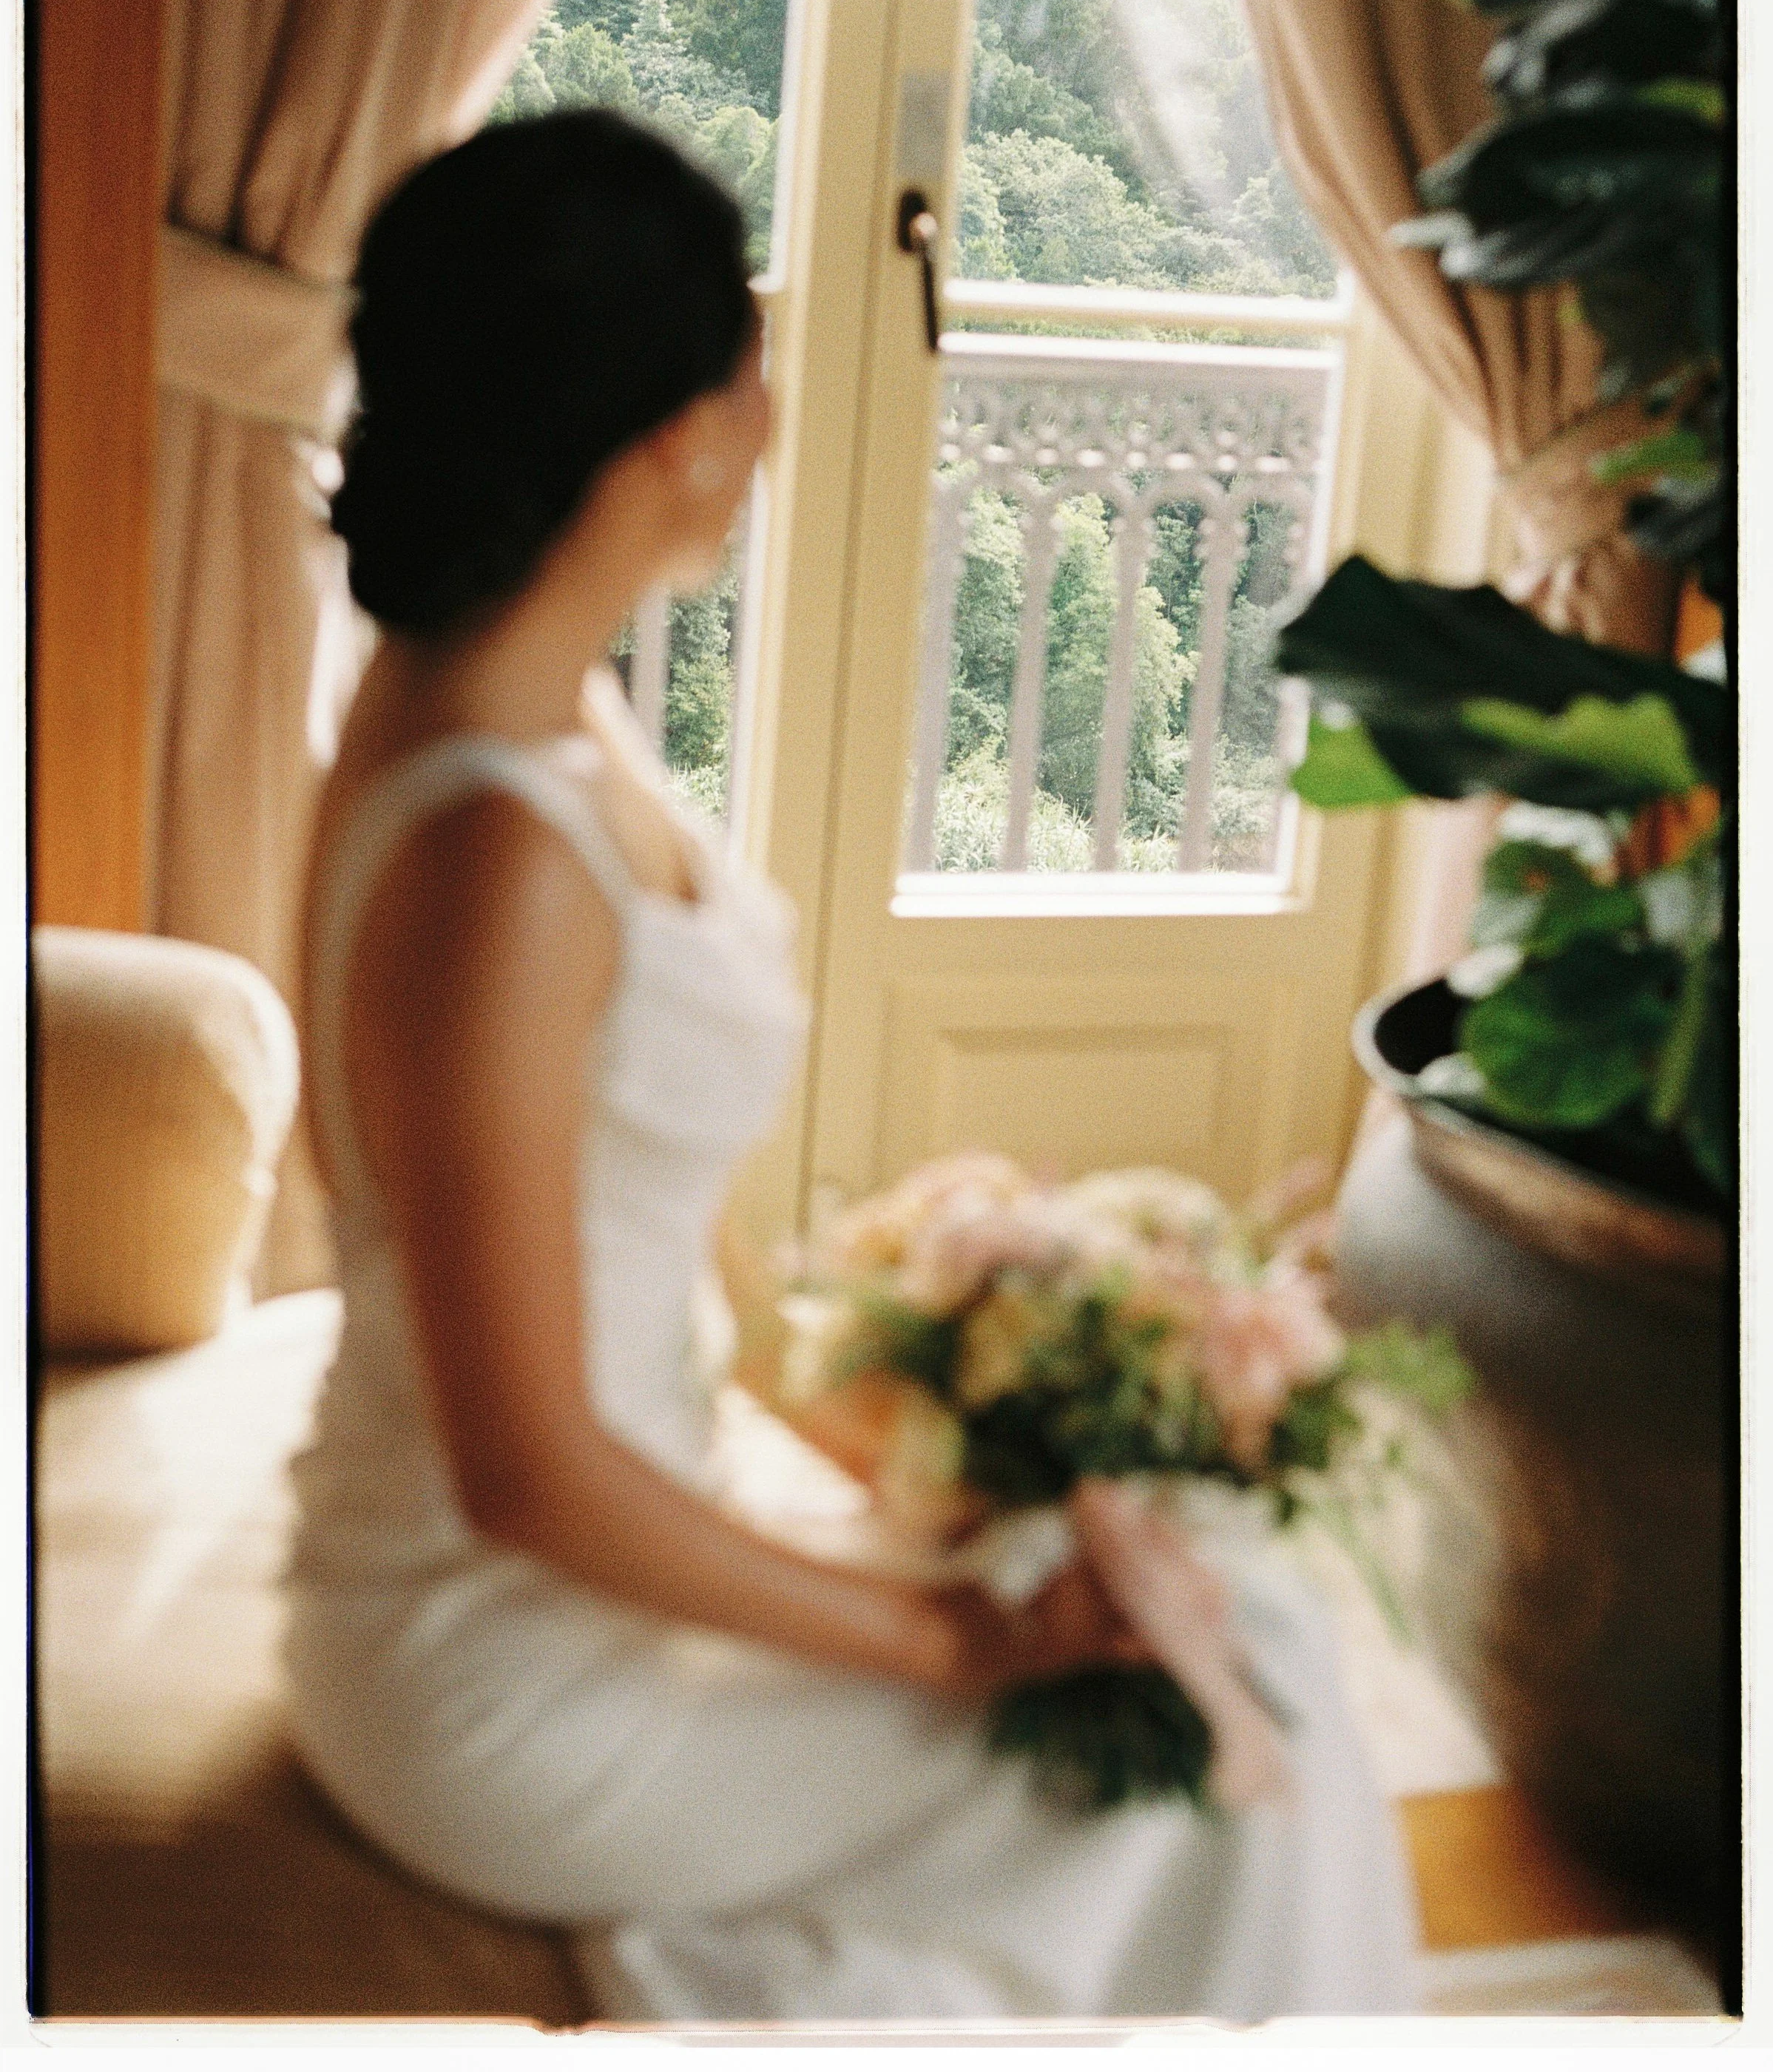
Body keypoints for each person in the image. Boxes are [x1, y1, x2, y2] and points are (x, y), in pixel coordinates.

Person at [283, 109, 1421, 2022]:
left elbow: (646, 1219)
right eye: (750, 372)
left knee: (1211, 1598)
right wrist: (949, 1638)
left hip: (598, 1556)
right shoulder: (491, 851)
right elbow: (525, 1474)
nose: (774, 416)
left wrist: (906, 1457)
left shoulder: (524, 702)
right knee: (1234, 1718)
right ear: (661, 437)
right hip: (506, 1672)